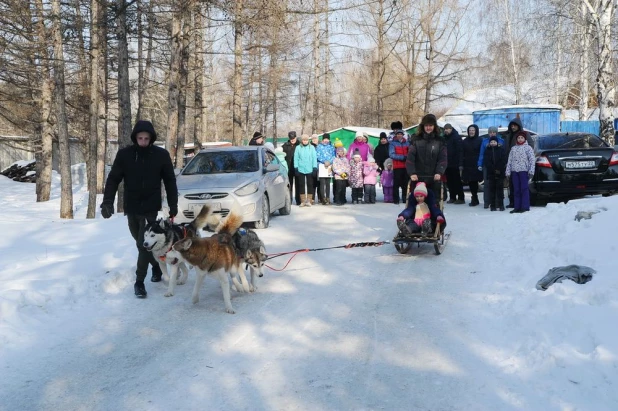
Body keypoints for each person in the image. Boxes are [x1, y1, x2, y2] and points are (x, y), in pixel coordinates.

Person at [100, 120, 178, 298]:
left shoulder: (161, 155)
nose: (143, 141)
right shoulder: (125, 155)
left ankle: (139, 282)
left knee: (143, 246)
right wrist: (107, 201)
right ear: (135, 138)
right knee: (141, 242)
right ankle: (157, 267)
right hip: (132, 205)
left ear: (151, 139)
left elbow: (170, 181)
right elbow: (113, 179)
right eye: (140, 138)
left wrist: (173, 204)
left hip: (151, 207)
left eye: (146, 138)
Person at [405, 114, 447, 198]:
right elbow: (410, 158)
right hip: (417, 178)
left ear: (434, 126)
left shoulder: (440, 141)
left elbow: (443, 158)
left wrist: (439, 172)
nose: (428, 128)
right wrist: (412, 172)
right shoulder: (416, 140)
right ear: (423, 126)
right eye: (426, 125)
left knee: (434, 203)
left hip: (434, 178)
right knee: (416, 203)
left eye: (430, 125)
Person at [504, 118, 533, 208]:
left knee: (523, 187)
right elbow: (507, 149)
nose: (513, 127)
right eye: (512, 126)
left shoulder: (524, 134)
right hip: (512, 165)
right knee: (512, 186)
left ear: (519, 125)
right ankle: (513, 203)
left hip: (523, 167)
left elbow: (530, 146)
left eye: (515, 125)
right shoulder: (509, 135)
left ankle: (524, 205)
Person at [478, 126, 505, 208]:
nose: (492, 134)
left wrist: (503, 165)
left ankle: (498, 202)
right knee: (487, 184)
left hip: (498, 166)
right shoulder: (484, 142)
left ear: (496, 133)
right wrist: (480, 164)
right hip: (487, 166)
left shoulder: (501, 141)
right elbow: (482, 154)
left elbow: (503, 155)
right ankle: (487, 202)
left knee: (498, 184)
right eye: (490, 132)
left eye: (494, 132)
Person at [483, 135, 507, 211]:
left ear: (497, 142)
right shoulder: (487, 150)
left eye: (494, 142)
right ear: (489, 143)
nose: (493, 143)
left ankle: (501, 205)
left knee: (500, 190)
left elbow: (503, 160)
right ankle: (492, 205)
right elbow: (486, 161)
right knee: (492, 190)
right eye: (491, 142)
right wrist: (492, 168)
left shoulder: (501, 149)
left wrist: (498, 168)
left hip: (500, 173)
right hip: (491, 173)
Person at [462, 124, 483, 206]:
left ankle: (476, 198)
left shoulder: (480, 140)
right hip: (467, 164)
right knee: (470, 182)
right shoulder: (465, 141)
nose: (471, 132)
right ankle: (474, 197)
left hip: (477, 163)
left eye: (473, 130)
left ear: (476, 131)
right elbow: (462, 153)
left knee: (475, 181)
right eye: (470, 130)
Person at [443, 123, 465, 204]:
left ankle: (461, 197)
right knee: (449, 182)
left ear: (451, 129)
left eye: (447, 129)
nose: (446, 130)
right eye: (445, 129)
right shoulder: (444, 138)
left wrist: (460, 163)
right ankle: (452, 197)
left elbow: (460, 151)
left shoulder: (456, 137)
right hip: (447, 163)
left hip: (455, 163)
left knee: (457, 181)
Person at [293, 134, 318, 207]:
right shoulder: (298, 148)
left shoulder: (312, 147)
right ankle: (303, 201)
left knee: (310, 184)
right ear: (301, 140)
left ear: (308, 140)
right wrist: (296, 168)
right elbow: (296, 158)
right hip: (301, 169)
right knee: (301, 185)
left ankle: (309, 201)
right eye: (304, 140)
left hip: (309, 168)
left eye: (306, 140)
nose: (305, 141)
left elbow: (314, 158)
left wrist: (314, 168)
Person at [389, 129, 410, 204]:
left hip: (406, 166)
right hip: (397, 166)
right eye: (398, 134)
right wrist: (403, 157)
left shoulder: (407, 143)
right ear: (396, 135)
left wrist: (407, 157)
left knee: (405, 184)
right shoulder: (393, 144)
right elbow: (391, 154)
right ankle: (396, 199)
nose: (399, 135)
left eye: (401, 134)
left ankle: (405, 199)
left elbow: (410, 153)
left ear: (403, 135)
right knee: (396, 184)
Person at [315, 133, 336, 205]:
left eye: (327, 139)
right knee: (322, 183)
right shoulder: (319, 146)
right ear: (323, 139)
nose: (326, 140)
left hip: (329, 166)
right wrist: (324, 161)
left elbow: (334, 155)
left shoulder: (331, 147)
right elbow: (317, 155)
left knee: (328, 183)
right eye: (325, 139)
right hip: (321, 166)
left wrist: (329, 162)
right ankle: (322, 198)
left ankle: (327, 197)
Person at [283, 131, 300, 205]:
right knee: (289, 185)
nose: (292, 140)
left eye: (293, 138)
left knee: (298, 185)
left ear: (296, 137)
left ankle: (298, 200)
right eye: (291, 138)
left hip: (297, 168)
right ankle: (289, 200)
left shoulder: (299, 145)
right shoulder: (285, 145)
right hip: (288, 168)